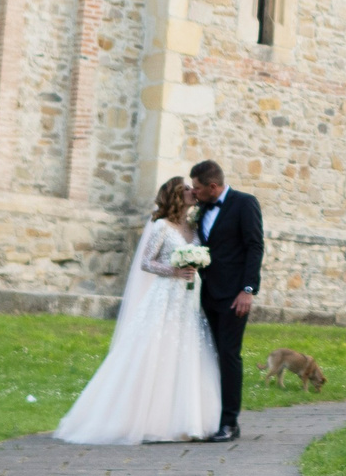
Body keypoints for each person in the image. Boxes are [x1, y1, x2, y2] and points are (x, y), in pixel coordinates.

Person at [54, 176, 226, 445]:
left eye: (193, 189)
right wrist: (174, 270)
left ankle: (188, 420)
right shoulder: (161, 226)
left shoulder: (193, 225)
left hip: (189, 301)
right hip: (166, 295)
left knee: (188, 353)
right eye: (187, 189)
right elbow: (146, 262)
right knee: (156, 351)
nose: (194, 192)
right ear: (176, 196)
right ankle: (145, 420)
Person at [189, 159, 263, 441]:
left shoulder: (245, 203)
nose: (194, 192)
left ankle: (230, 423)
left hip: (234, 297)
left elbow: (255, 246)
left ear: (213, 186)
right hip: (205, 293)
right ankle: (207, 416)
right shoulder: (202, 209)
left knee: (229, 355)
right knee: (208, 355)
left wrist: (248, 289)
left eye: (197, 188)